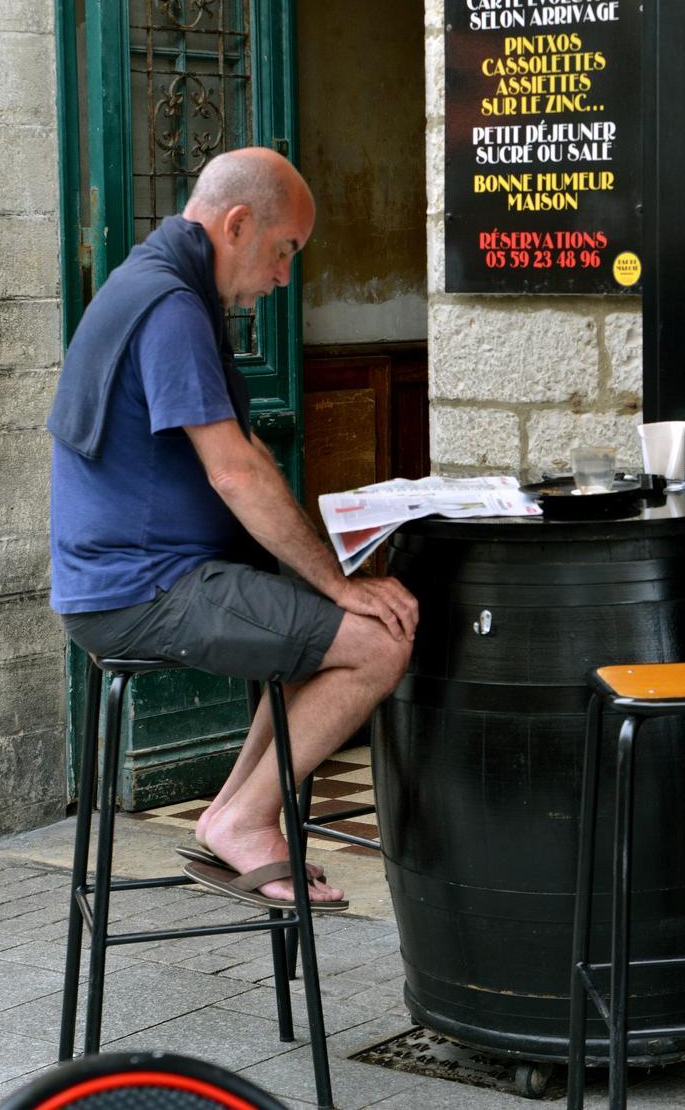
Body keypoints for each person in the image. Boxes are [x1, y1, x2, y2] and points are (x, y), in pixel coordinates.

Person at [47, 147, 419, 910]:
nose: (283, 276)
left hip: (136, 580)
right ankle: (245, 818)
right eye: (284, 250)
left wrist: (325, 574)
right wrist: (337, 582)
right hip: (144, 590)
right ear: (239, 223)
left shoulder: (154, 281)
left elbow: (245, 455)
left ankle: (232, 814)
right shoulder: (171, 306)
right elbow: (235, 472)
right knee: (378, 643)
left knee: (318, 635)